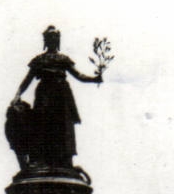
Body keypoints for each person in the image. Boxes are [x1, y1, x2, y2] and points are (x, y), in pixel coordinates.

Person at [9, 25, 104, 169]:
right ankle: (41, 158)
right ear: (45, 40)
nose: (52, 39)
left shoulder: (63, 59)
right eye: (50, 37)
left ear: (58, 40)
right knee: (42, 124)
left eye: (55, 37)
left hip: (62, 96)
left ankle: (65, 160)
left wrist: (94, 79)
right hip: (44, 95)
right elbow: (27, 80)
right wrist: (17, 95)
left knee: (63, 127)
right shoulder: (39, 60)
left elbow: (79, 76)